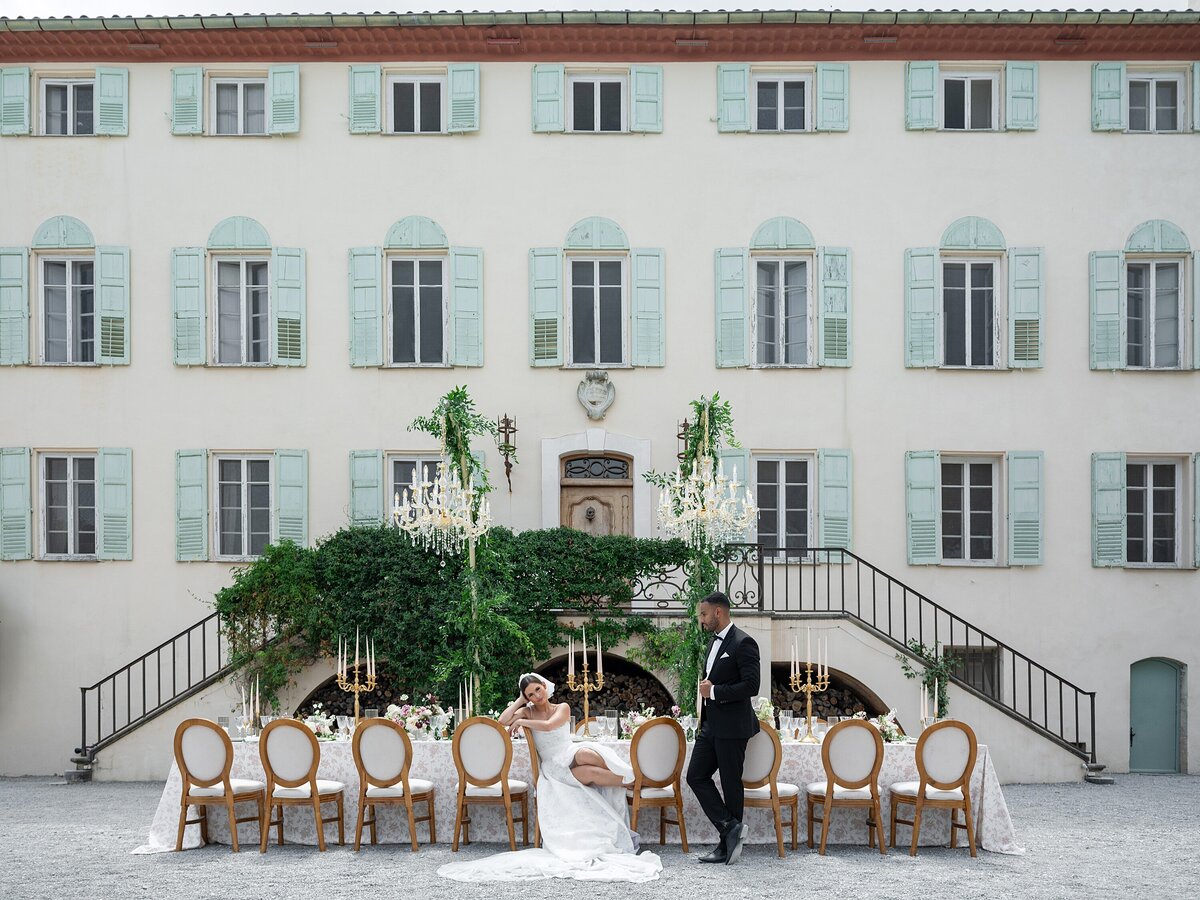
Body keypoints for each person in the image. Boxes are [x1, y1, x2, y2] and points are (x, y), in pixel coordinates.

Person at [437, 672, 662, 883]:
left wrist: (523, 721)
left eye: (537, 690)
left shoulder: (561, 707)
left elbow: (549, 726)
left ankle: (630, 776)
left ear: (544, 686)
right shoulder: (528, 709)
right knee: (587, 773)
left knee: (584, 753)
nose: (536, 696)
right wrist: (519, 703)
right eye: (530, 695)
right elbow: (504, 721)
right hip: (553, 766)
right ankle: (632, 782)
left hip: (569, 753)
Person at [686, 590, 761, 865]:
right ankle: (730, 827)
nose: (701, 620)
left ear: (718, 612)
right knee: (695, 776)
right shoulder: (712, 643)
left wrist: (714, 691)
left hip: (733, 727)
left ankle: (727, 848)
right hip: (711, 727)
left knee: (731, 786)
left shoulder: (744, 643)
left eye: (704, 614)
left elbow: (752, 686)